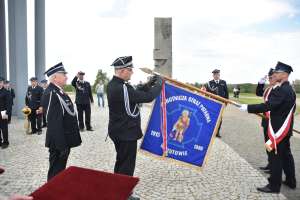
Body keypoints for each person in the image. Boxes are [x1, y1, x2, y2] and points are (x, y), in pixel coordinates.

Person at [107, 56, 162, 200]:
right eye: (130, 70)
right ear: (123, 71)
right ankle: (124, 194)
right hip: (126, 132)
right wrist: (159, 84)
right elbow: (148, 97)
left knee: (121, 161)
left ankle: (116, 189)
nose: (132, 72)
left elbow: (136, 93)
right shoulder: (122, 88)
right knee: (127, 164)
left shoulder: (115, 85)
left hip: (119, 130)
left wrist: (149, 83)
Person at [239, 61, 296, 193]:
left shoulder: (283, 90)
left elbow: (268, 106)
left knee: (275, 157)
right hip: (283, 129)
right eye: (274, 73)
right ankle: (290, 180)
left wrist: (247, 107)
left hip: (277, 130)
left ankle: (274, 186)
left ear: (285, 74)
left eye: (277, 72)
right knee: (286, 155)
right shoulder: (287, 89)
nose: (274, 75)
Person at [42, 62, 82, 181]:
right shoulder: (51, 93)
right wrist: (61, 146)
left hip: (64, 140)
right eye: (63, 74)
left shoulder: (59, 91)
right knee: (55, 173)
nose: (66, 77)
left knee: (60, 172)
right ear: (55, 77)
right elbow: (53, 123)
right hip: (58, 143)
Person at [255, 68, 276, 173]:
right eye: (269, 77)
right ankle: (270, 163)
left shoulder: (278, 89)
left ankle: (274, 166)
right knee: (267, 143)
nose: (270, 79)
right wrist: (260, 83)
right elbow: (258, 93)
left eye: (271, 77)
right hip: (266, 120)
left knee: (273, 144)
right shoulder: (268, 89)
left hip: (274, 122)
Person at [205, 69, 229, 137]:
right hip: (212, 103)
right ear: (213, 75)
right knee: (211, 117)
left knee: (220, 118)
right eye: (214, 74)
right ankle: (210, 131)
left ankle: (217, 132)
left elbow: (226, 93)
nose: (216, 76)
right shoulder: (209, 83)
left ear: (219, 75)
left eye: (217, 74)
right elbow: (206, 94)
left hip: (221, 103)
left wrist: (226, 102)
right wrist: (207, 102)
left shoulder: (223, 82)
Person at [0, 77, 12, 149]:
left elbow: (9, 104)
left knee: (4, 128)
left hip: (3, 112)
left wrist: (7, 113)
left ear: (2, 83)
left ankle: (5, 142)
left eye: (0, 82)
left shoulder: (6, 92)